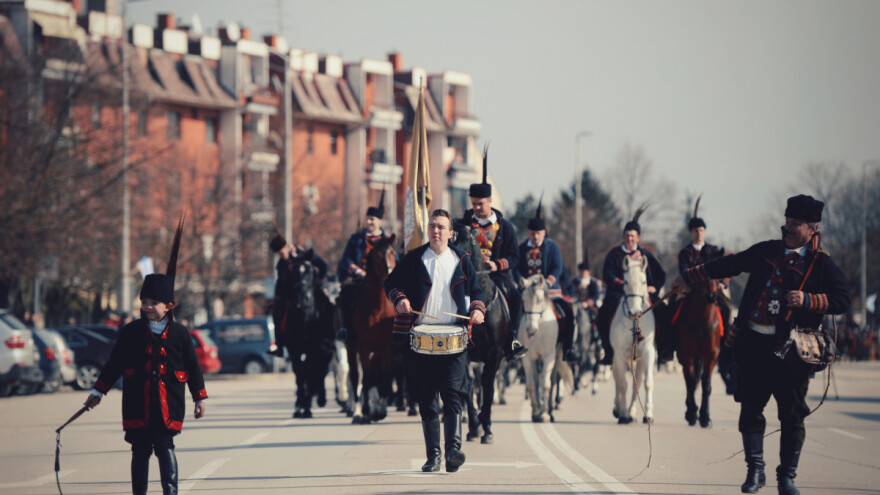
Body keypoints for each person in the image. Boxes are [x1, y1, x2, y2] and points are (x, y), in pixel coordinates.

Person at [671, 194, 851, 495]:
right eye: (787, 221)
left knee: (791, 415)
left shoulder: (821, 264)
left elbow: (843, 299)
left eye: (796, 224)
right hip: (753, 343)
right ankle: (755, 472)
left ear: (812, 229)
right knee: (751, 410)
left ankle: (786, 478)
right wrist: (689, 276)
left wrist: (809, 300)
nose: (788, 227)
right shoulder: (766, 250)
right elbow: (730, 263)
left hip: (792, 353)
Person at [83, 273, 207, 495]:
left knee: (164, 447)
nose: (147, 307)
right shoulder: (131, 332)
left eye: (153, 303)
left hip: (168, 404)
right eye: (144, 302)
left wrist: (199, 398)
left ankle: (171, 491)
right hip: (137, 403)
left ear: (169, 306)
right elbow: (115, 364)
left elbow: (193, 367)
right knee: (139, 451)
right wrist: (98, 391)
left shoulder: (180, 334)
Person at [385, 209, 486, 473]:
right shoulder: (413, 259)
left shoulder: (462, 260)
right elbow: (391, 283)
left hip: (454, 339)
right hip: (420, 338)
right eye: (432, 226)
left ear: (451, 233)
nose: (435, 231)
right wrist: (400, 299)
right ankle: (434, 455)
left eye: (441, 227)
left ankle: (453, 450)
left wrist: (477, 309)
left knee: (452, 396)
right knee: (427, 400)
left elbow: (477, 291)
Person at [459, 146, 525, 359]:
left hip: (496, 277)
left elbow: (515, 256)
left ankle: (512, 339)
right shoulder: (464, 224)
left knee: (515, 297)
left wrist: (498, 265)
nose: (477, 207)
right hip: (468, 276)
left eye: (481, 203)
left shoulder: (505, 227)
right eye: (474, 204)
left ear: (490, 202)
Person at [596, 207, 666, 365]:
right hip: (618, 294)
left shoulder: (646, 255)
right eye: (627, 235)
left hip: (643, 295)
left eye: (633, 236)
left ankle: (663, 349)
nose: (629, 239)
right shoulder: (614, 254)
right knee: (602, 314)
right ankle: (608, 351)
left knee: (663, 311)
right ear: (623, 236)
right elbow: (607, 274)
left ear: (638, 238)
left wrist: (653, 286)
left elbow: (661, 274)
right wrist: (621, 283)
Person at [516, 199, 576, 361]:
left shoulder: (552, 247)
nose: (535, 236)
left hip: (550, 292)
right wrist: (520, 280)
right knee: (513, 311)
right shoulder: (521, 249)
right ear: (528, 233)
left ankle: (569, 348)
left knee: (569, 313)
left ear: (544, 232)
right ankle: (513, 344)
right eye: (532, 233)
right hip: (527, 292)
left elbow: (557, 266)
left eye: (538, 233)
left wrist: (549, 281)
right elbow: (516, 267)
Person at [336, 193, 394, 340]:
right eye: (367, 218)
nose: (369, 222)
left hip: (382, 279)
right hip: (359, 278)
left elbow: (395, 260)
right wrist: (356, 270)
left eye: (372, 219)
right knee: (345, 294)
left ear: (380, 222)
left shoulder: (386, 241)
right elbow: (346, 259)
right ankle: (345, 329)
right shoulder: (356, 239)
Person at [269, 232, 329, 358]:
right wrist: (277, 298)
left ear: (287, 247)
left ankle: (329, 338)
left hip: (311, 291)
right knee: (277, 314)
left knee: (326, 306)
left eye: (281, 253)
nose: (281, 256)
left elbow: (324, 267)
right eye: (278, 254)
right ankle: (279, 345)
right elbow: (280, 283)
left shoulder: (305, 254)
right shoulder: (281, 264)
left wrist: (319, 283)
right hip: (291, 296)